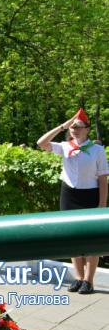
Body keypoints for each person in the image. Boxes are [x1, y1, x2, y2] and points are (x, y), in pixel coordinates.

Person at [37, 108, 108, 294]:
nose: (74, 130)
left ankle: (88, 280)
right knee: (72, 237)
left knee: (93, 240)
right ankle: (77, 277)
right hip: (69, 195)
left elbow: (102, 179)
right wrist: (62, 126)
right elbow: (41, 143)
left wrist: (102, 204)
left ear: (87, 129)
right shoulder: (65, 146)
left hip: (90, 195)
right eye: (72, 127)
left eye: (78, 127)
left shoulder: (97, 150)